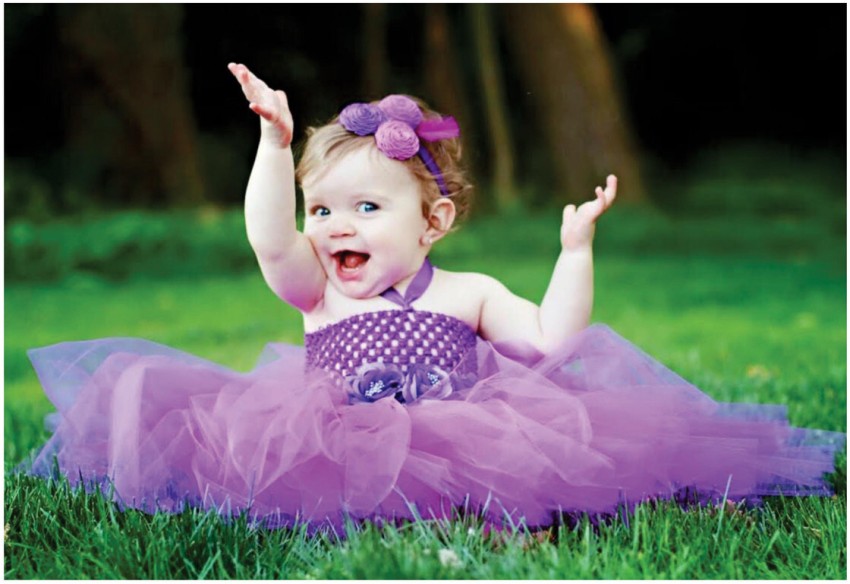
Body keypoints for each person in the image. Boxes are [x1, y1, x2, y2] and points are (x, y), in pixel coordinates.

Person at [23, 63, 843, 533]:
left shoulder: (471, 291)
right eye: (324, 209)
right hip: (335, 438)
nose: (335, 226)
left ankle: (495, 522)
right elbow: (270, 239)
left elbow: (552, 339)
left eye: (367, 209)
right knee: (316, 492)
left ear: (434, 221)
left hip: (469, 434)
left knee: (505, 479)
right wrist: (276, 148)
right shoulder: (316, 289)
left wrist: (574, 252)